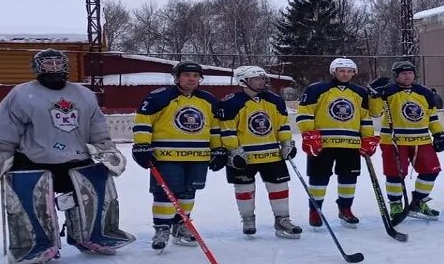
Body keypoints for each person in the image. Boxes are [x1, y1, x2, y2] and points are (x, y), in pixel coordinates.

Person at [0, 49, 133, 264]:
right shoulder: (21, 94)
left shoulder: (84, 94)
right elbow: (4, 128)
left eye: (58, 64)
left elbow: (97, 126)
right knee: (32, 205)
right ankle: (36, 245)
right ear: (37, 67)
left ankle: (93, 236)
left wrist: (105, 147)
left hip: (77, 160)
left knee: (95, 195)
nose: (54, 68)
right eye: (48, 64)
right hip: (34, 161)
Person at [131, 61, 223, 251]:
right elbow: (144, 121)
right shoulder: (160, 97)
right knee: (166, 192)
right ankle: (162, 228)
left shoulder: (208, 100)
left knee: (189, 192)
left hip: (198, 155)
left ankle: (181, 226)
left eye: (196, 76)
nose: (192, 79)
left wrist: (218, 149)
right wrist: (142, 145)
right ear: (177, 77)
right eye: (187, 75)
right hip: (167, 155)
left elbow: (215, 128)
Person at [216, 65, 300, 238]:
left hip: (271, 154)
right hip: (243, 156)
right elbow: (227, 129)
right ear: (243, 81)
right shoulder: (231, 102)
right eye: (256, 79)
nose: (261, 82)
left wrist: (286, 143)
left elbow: (282, 125)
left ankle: (282, 219)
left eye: (262, 78)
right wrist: (234, 151)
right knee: (244, 188)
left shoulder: (274, 100)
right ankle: (248, 219)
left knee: (279, 186)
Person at [296, 57, 377, 229]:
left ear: (354, 73)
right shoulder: (316, 89)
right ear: (334, 71)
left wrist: (368, 138)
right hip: (323, 143)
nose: (346, 74)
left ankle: (345, 209)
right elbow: (305, 113)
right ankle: (315, 210)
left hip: (351, 144)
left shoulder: (360, 92)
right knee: (319, 177)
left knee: (349, 177)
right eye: (342, 71)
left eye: (349, 71)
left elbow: (365, 118)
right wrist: (309, 135)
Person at [368, 61, 444, 222]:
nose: (407, 76)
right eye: (403, 73)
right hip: (394, 141)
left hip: (422, 140)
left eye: (410, 72)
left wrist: (439, 134)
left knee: (431, 171)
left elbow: (432, 117)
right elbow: (375, 113)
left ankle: (418, 202)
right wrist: (373, 94)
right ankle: (396, 205)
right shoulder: (387, 91)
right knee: (395, 175)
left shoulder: (424, 92)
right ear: (396, 76)